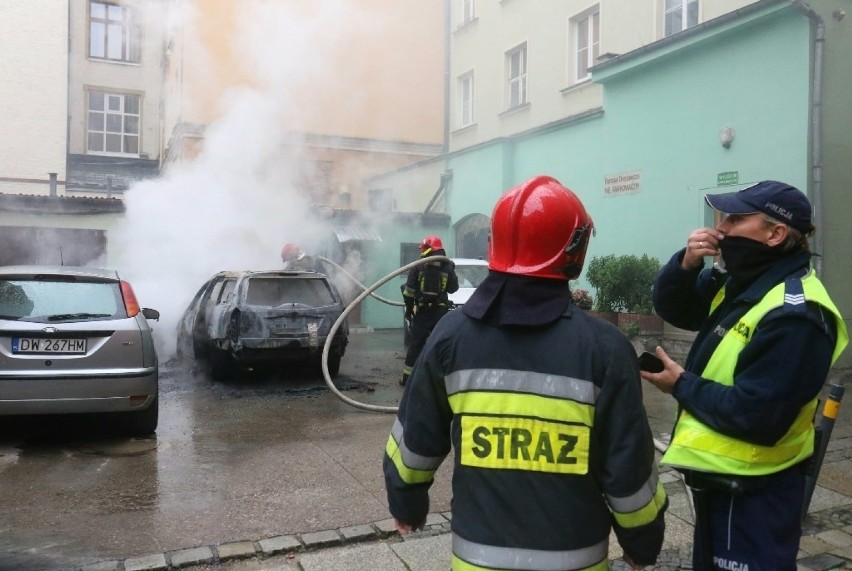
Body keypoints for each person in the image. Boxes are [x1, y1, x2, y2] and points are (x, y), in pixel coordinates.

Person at [384, 176, 668, 570]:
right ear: (575, 250)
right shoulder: (605, 349)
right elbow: (629, 472)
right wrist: (642, 545)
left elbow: (413, 444)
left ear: (494, 246)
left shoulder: (450, 336)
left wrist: (407, 505)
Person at [641, 180, 848, 570]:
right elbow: (678, 309)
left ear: (775, 234)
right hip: (721, 482)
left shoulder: (796, 314)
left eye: (735, 218)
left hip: (756, 493)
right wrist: (686, 265)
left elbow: (760, 416)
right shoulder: (745, 283)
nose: (720, 228)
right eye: (722, 216)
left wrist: (681, 384)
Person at [399, 235, 458, 386]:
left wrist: (409, 309)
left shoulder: (418, 266)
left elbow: (408, 292)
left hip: (423, 312)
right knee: (441, 344)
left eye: (423, 248)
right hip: (441, 312)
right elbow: (453, 289)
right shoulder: (447, 266)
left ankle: (407, 378)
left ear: (428, 249)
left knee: (416, 344)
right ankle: (443, 381)